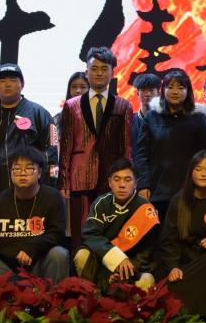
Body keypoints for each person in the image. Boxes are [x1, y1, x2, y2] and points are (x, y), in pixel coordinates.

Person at [59, 48, 134, 249]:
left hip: (111, 178)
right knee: (80, 234)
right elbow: (65, 146)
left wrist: (127, 178)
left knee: (109, 232)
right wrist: (64, 181)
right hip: (80, 176)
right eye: (94, 68)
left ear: (112, 72)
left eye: (104, 68)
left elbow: (126, 147)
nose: (99, 73)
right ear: (87, 71)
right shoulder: (72, 105)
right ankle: (79, 269)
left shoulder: (123, 105)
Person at [0, 146, 69, 287]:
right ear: (11, 172)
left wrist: (33, 247)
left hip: (40, 260)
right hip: (7, 264)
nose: (22, 173)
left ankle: (55, 298)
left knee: (59, 255)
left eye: (29, 168)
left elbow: (57, 233)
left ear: (39, 172)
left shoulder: (52, 198)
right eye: (17, 168)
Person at [152, 150, 206, 316]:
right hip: (186, 265)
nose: (203, 174)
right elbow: (169, 240)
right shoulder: (178, 201)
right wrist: (173, 267)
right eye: (198, 169)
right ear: (191, 172)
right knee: (170, 289)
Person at [0, 63, 54, 211]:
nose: (7, 84)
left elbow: (51, 153)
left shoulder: (39, 113)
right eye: (1, 81)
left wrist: (49, 189)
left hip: (28, 194)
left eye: (13, 80)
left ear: (22, 84)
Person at [138, 67, 206, 221]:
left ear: (188, 91)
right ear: (163, 90)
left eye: (181, 87)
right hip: (157, 191)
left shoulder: (198, 119)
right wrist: (144, 185)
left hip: (190, 191)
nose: (175, 91)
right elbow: (141, 155)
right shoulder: (151, 117)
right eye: (170, 87)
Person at [74, 159, 159, 288]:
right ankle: (93, 295)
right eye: (117, 179)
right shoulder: (101, 202)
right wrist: (116, 260)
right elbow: (90, 234)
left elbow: (148, 250)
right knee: (82, 255)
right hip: (104, 261)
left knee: (146, 281)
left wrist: (126, 270)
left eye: (128, 180)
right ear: (110, 182)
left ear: (136, 183)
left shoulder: (146, 209)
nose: (122, 185)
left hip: (133, 266)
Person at [51, 71, 89, 182]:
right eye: (74, 87)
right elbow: (52, 148)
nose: (78, 91)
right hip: (63, 174)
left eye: (83, 87)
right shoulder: (58, 119)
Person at [130, 73, 162, 147]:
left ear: (158, 93)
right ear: (137, 94)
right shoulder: (129, 120)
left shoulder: (165, 119)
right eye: (143, 90)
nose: (147, 94)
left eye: (151, 90)